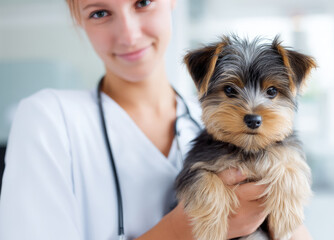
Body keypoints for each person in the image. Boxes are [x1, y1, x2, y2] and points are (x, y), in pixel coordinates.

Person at [0, 0, 313, 239]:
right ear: (78, 21)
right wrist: (182, 229)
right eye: (99, 12)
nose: (129, 35)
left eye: (143, 1)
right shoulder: (47, 120)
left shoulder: (220, 122)